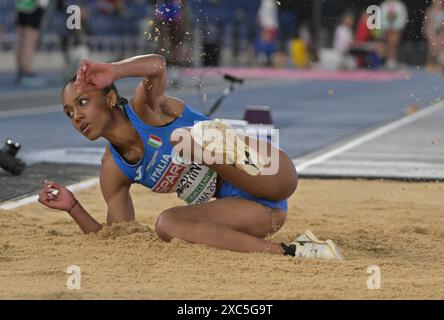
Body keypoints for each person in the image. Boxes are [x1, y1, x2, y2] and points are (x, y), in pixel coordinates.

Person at [38, 54, 343, 261]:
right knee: (167, 223)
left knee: (181, 139)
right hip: (257, 213)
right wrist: (73, 207)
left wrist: (114, 70)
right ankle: (294, 252)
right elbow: (119, 236)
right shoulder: (113, 171)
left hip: (270, 173)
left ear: (110, 98)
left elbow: (157, 66)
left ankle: (209, 142)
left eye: (82, 103)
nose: (76, 116)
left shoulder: (145, 110)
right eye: (69, 113)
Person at [15, 0, 49, 86]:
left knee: (21, 41)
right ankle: (27, 71)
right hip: (34, 7)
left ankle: (21, 71)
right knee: (29, 41)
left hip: (21, 7)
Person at [380, 0, 408, 70]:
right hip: (386, 30)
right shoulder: (384, 5)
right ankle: (389, 61)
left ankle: (391, 60)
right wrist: (386, 28)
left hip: (396, 30)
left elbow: (403, 18)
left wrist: (396, 28)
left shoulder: (400, 5)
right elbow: (381, 18)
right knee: (388, 43)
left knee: (393, 42)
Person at [424, 0, 444, 73]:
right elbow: (427, 23)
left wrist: (442, 29)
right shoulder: (429, 10)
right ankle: (430, 63)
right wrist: (428, 31)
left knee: (440, 45)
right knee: (432, 45)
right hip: (431, 31)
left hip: (441, 32)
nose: (439, 2)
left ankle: (439, 64)